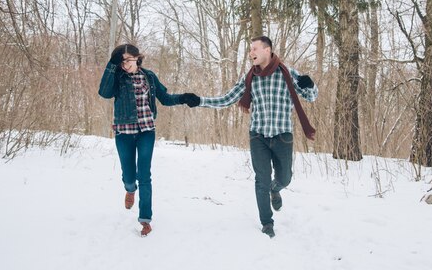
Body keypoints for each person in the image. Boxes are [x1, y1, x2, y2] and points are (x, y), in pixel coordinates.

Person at [181, 36, 318, 238]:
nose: (250, 53)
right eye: (249, 49)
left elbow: (311, 97)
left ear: (267, 50)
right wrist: (200, 100)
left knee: (285, 178)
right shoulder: (250, 77)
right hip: (258, 136)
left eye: (254, 48)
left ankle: (276, 189)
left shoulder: (287, 73)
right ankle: (267, 222)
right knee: (261, 180)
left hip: (283, 135)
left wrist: (310, 84)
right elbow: (227, 99)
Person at [98, 43, 190, 237]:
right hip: (124, 132)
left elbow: (165, 98)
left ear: (136, 58)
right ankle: (130, 189)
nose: (125, 65)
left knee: (144, 174)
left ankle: (145, 219)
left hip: (146, 131)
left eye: (128, 60)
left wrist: (184, 98)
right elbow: (104, 92)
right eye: (121, 62)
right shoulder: (117, 77)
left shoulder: (149, 76)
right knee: (129, 176)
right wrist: (111, 65)